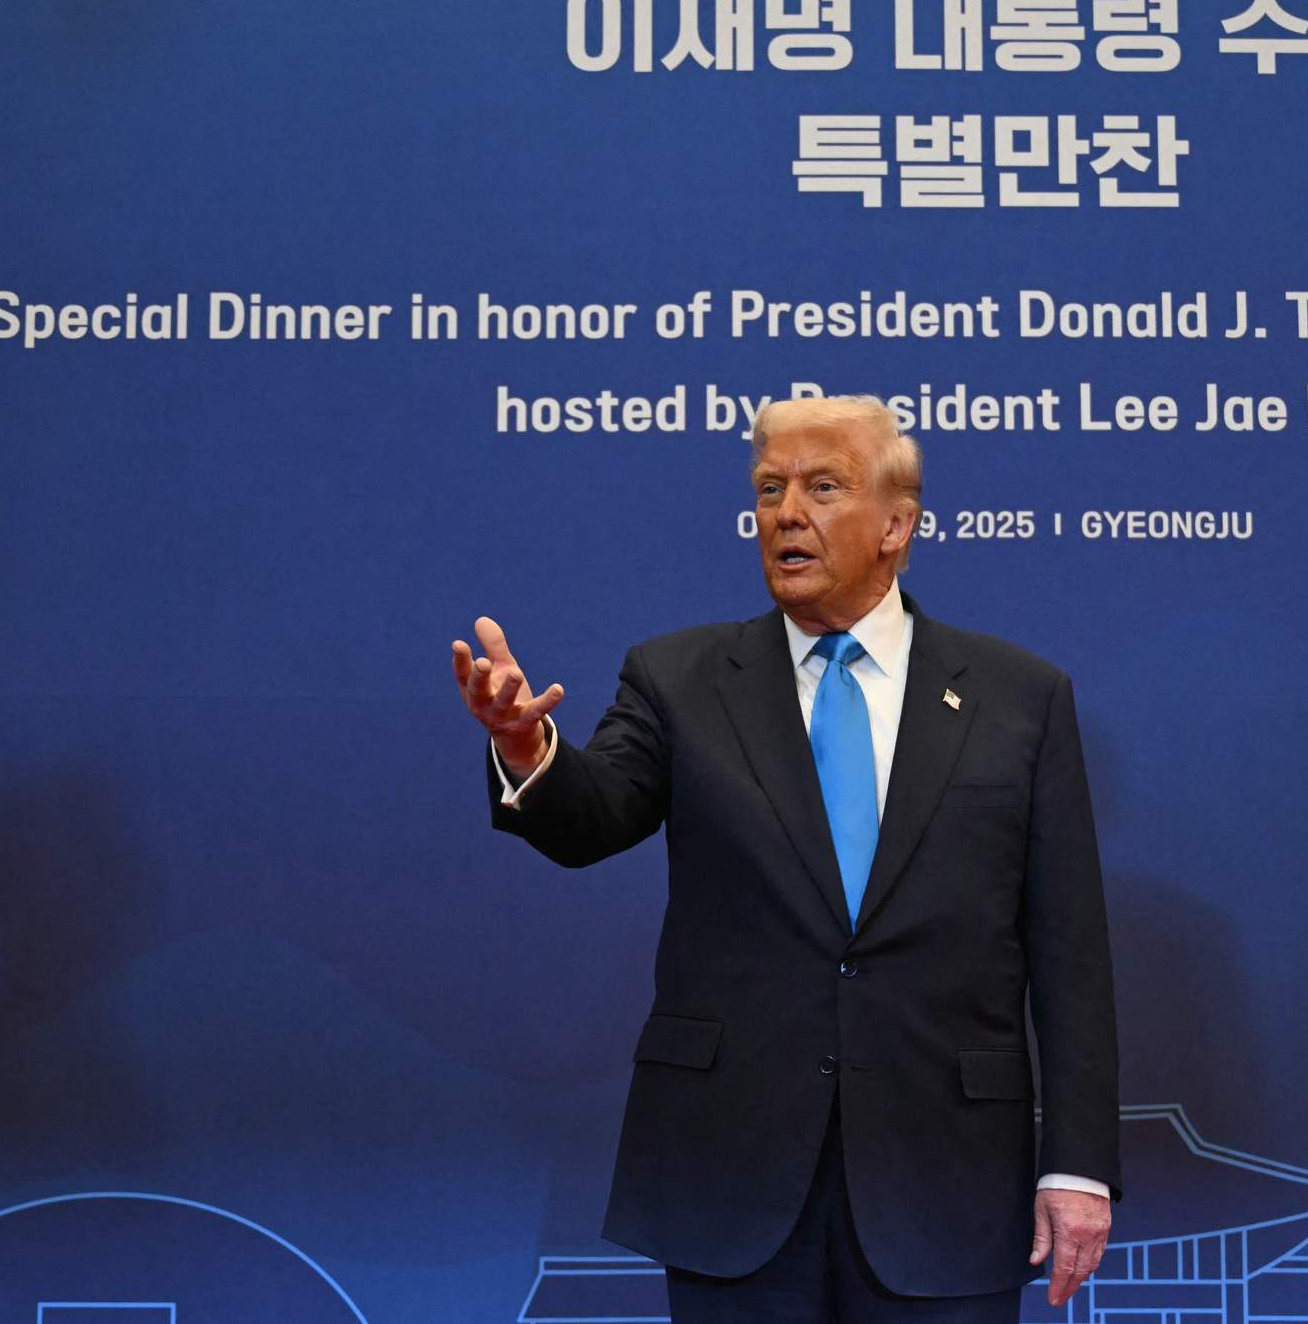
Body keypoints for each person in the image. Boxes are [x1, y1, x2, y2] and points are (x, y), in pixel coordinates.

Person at [450, 394, 1121, 1323]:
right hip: (735, 1173)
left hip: (947, 1177)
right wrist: (528, 749)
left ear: (896, 525)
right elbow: (591, 818)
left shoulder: (1020, 697)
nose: (785, 513)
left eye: (822, 487)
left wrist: (1077, 1165)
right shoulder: (679, 679)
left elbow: (1068, 951)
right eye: (770, 489)